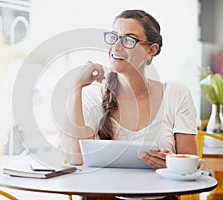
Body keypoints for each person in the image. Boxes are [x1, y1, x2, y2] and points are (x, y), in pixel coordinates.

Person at [60, 9, 198, 197]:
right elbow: (74, 157)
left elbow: (192, 163)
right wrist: (75, 87)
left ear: (151, 50)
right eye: (114, 37)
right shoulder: (93, 96)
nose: (116, 47)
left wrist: (172, 164)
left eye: (129, 40)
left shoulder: (176, 95)